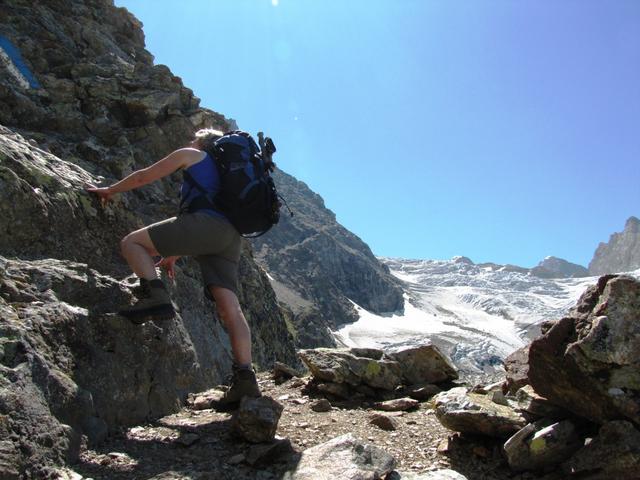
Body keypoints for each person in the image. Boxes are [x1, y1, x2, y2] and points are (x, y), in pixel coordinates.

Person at [86, 128, 260, 409]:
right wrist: (174, 254)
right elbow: (208, 217)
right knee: (230, 307)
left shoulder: (192, 155)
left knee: (132, 243)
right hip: (231, 237)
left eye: (192, 138)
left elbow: (145, 176)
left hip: (205, 226)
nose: (189, 142)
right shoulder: (229, 176)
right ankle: (246, 377)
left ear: (200, 141)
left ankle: (155, 297)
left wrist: (111, 189)